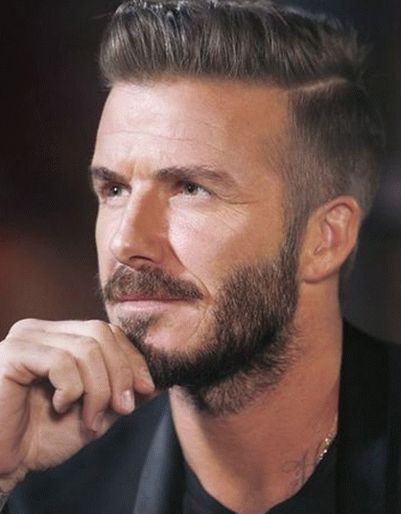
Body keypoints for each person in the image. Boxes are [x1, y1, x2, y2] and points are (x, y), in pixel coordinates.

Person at [0, 1, 399, 513]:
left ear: (325, 239)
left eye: (191, 188)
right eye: (115, 190)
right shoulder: (44, 489)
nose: (126, 243)